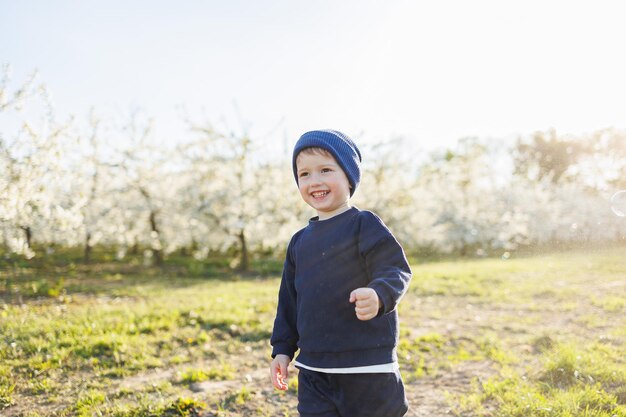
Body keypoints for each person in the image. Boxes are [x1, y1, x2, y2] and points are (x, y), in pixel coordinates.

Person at [269, 129, 412, 416]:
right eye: (304, 174)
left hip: (367, 367)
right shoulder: (299, 242)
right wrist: (282, 350)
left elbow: (394, 268)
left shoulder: (364, 224)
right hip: (314, 370)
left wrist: (378, 294)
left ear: (349, 176)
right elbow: (289, 302)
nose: (314, 181)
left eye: (325, 170)